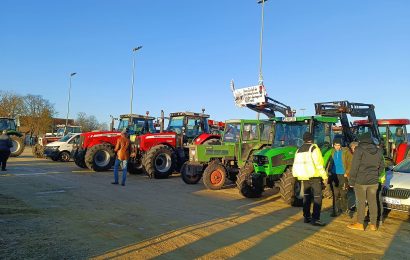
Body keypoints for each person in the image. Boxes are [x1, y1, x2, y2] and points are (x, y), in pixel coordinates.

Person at [347, 132, 384, 231]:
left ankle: (360, 224)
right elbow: (382, 167)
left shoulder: (359, 150)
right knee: (373, 202)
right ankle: (373, 225)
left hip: (361, 181)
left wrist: (351, 181)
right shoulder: (379, 150)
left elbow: (354, 167)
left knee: (361, 202)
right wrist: (376, 175)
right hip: (373, 181)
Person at [293, 132, 328, 226]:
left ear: (304, 139)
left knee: (306, 197)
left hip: (303, 177)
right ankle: (315, 219)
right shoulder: (314, 148)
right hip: (314, 176)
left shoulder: (298, 150)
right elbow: (319, 164)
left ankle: (306, 217)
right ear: (312, 139)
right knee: (317, 197)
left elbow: (296, 164)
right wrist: (324, 176)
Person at [327, 138, 352, 217]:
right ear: (333, 145)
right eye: (335, 145)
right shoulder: (332, 152)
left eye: (338, 145)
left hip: (342, 175)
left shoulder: (346, 152)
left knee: (343, 193)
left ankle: (345, 210)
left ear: (341, 145)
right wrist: (329, 171)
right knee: (335, 194)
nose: (337, 147)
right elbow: (330, 162)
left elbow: (350, 163)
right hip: (334, 175)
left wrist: (347, 172)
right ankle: (335, 210)